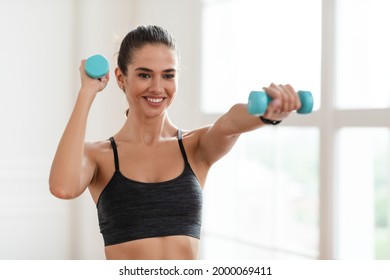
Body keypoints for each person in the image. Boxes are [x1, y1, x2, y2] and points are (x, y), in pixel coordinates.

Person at [49, 25, 301, 260]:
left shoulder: (195, 146)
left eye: (167, 75)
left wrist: (266, 113)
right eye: (145, 75)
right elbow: (63, 187)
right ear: (121, 77)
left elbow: (229, 123)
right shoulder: (98, 156)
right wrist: (87, 92)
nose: (157, 88)